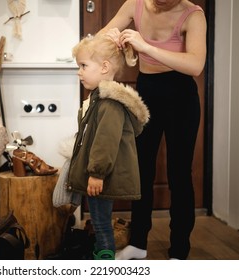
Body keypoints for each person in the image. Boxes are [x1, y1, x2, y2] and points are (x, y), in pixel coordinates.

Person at [97, 0, 207, 260]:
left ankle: (179, 251)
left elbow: (195, 65)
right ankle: (138, 243)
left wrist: (146, 46)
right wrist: (110, 36)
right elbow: (102, 36)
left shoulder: (193, 15)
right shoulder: (134, 5)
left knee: (179, 173)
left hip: (181, 94)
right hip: (146, 91)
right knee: (141, 169)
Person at [66, 34, 150, 260]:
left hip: (102, 176)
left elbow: (105, 142)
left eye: (84, 65)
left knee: (102, 224)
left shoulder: (109, 104)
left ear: (104, 67)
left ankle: (105, 259)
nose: (79, 72)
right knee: (100, 220)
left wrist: (96, 173)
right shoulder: (98, 99)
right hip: (100, 176)